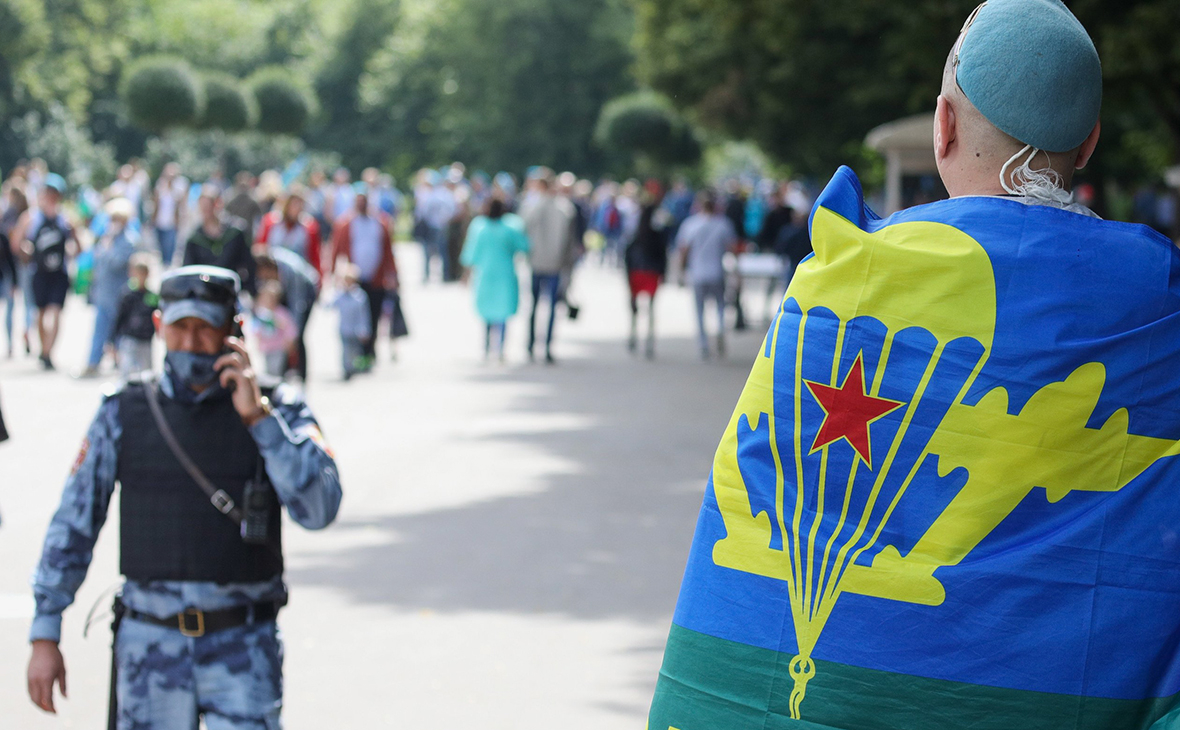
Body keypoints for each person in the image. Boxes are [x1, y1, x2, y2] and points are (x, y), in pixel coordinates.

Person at [647, 3, 1180, 729]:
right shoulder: (1157, 301)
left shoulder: (840, 276)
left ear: (943, 126)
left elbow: (755, 493)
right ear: (1087, 144)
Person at [27, 265, 342, 728]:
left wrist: (260, 421)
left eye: (205, 329)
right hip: (149, 649)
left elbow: (319, 509)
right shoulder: (124, 411)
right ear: (159, 328)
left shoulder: (279, 408)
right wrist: (45, 632)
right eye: (180, 329)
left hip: (242, 648)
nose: (191, 344)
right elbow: (73, 525)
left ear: (234, 329)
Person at [12, 173, 77, 370]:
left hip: (59, 273)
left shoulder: (66, 219)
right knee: (40, 313)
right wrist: (28, 254)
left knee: (56, 311)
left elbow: (77, 244)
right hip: (38, 272)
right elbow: (16, 243)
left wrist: (70, 251)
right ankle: (44, 350)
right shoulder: (30, 217)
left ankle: (49, 352)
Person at [329, 184, 398, 366]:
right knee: (354, 318)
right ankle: (355, 354)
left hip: (376, 280)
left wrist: (394, 275)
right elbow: (336, 250)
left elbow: (389, 251)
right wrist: (333, 274)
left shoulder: (381, 222)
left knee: (373, 318)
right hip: (354, 279)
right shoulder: (345, 224)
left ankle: (369, 353)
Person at [460, 198, 530, 362]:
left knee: (488, 313)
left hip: (486, 274)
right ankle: (499, 349)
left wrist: (466, 274)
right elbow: (524, 246)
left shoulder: (480, 227)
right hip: (505, 274)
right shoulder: (510, 227)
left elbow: (470, 252)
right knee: (502, 313)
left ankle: (486, 348)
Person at [675, 190, 738, 359]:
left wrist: (680, 272)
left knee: (699, 310)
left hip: (697, 273)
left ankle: (703, 344)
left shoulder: (690, 225)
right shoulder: (724, 224)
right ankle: (719, 331)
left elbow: (684, 251)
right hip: (717, 272)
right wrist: (736, 273)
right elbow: (732, 249)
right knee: (720, 307)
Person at [520, 174, 575, 364]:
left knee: (534, 306)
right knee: (551, 307)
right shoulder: (564, 208)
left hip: (537, 263)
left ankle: (531, 345)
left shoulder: (531, 206)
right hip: (555, 264)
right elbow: (570, 242)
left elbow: (523, 231)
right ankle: (548, 347)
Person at [81, 198, 139, 378]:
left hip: (119, 294)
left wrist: (107, 249)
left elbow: (116, 263)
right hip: (104, 293)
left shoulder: (129, 240)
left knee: (120, 332)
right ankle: (93, 363)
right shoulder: (107, 237)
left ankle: (125, 365)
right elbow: (96, 262)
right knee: (100, 331)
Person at [254, 249, 319, 382]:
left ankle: (302, 374)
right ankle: (284, 371)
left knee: (297, 335)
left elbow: (297, 303)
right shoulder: (271, 273)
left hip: (307, 291)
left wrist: (293, 334)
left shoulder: (290, 272)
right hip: (291, 296)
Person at [183, 184, 256, 295]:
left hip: (231, 289)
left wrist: (248, 290)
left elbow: (248, 264)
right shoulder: (195, 238)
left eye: (209, 206)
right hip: (204, 292)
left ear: (218, 204)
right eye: (203, 207)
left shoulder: (235, 232)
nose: (206, 211)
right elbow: (188, 269)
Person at [624, 185, 670, 359]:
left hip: (637, 269)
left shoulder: (636, 226)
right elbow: (663, 249)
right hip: (651, 269)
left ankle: (634, 334)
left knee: (635, 305)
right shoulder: (658, 225)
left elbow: (627, 251)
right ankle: (649, 339)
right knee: (650, 307)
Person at [256, 186, 322, 274]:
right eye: (293, 204)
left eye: (299, 204)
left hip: (298, 274)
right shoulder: (270, 223)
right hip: (273, 272)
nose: (295, 208)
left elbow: (314, 256)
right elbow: (260, 247)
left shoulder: (309, 227)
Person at [112, 254, 157, 379]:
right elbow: (119, 318)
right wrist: (112, 342)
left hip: (146, 340)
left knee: (147, 374)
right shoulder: (127, 294)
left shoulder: (152, 296)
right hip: (129, 339)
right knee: (126, 373)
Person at [246, 280, 297, 378]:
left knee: (274, 373)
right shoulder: (260, 313)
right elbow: (253, 329)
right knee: (263, 372)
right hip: (263, 349)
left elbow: (291, 331)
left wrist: (290, 343)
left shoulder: (282, 313)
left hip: (278, 348)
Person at [331, 264, 371, 380]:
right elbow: (329, 305)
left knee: (354, 350)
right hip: (344, 328)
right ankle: (346, 370)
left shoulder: (360, 296)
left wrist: (365, 329)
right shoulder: (340, 295)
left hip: (356, 329)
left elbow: (363, 315)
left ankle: (353, 368)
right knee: (345, 350)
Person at [152, 162, 186, 267]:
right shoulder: (160, 185)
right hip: (160, 221)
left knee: (169, 247)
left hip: (171, 223)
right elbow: (156, 203)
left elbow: (181, 205)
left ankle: (167, 266)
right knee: (161, 247)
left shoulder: (179, 187)